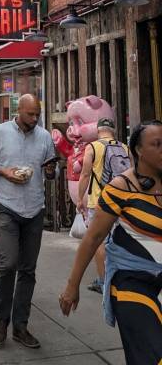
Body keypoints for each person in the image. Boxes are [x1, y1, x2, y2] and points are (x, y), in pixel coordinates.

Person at [59, 120, 162, 365]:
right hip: (131, 281)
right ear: (137, 150)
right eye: (157, 144)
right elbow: (93, 238)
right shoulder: (120, 187)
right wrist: (72, 286)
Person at [0, 94, 57, 349]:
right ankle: (2, 319)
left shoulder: (44, 136)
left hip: (34, 208)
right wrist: (4, 172)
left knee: (28, 269)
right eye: (30, 114)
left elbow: (51, 169)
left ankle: (20, 326)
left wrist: (50, 171)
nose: (34, 119)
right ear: (18, 110)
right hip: (6, 205)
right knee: (8, 263)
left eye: (37, 114)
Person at [77, 118, 130, 294]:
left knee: (98, 241)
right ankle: (123, 279)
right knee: (121, 241)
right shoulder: (125, 148)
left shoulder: (92, 147)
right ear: (113, 130)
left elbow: (85, 174)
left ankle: (103, 281)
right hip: (123, 202)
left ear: (98, 131)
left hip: (100, 203)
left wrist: (79, 199)